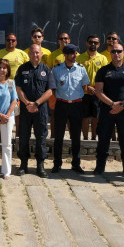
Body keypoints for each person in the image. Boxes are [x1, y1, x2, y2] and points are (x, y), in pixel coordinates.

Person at [93, 43, 124, 176]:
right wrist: (112, 104)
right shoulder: (103, 70)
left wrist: (122, 105)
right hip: (107, 110)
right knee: (103, 139)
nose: (116, 54)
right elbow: (98, 91)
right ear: (110, 53)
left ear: (123, 52)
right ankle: (100, 167)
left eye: (119, 51)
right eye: (113, 51)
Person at [15, 44, 56, 177]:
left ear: (41, 54)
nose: (35, 55)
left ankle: (40, 165)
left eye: (37, 53)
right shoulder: (22, 69)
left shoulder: (47, 70)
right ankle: (23, 164)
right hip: (26, 109)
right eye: (32, 53)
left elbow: (50, 91)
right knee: (23, 136)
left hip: (41, 109)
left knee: (41, 136)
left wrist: (36, 103)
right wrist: (27, 103)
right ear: (29, 54)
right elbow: (18, 88)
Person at [51, 44, 89, 173]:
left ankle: (76, 163)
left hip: (77, 105)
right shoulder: (56, 70)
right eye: (72, 53)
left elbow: (85, 87)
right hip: (61, 104)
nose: (75, 55)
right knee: (58, 136)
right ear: (65, 55)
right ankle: (57, 164)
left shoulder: (81, 69)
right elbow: (53, 88)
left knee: (76, 136)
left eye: (76, 53)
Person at [77, 35, 109, 140]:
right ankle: (85, 138)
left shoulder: (103, 58)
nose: (93, 44)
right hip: (83, 92)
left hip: (98, 92)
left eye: (95, 42)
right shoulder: (79, 58)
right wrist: (87, 87)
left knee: (96, 117)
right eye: (91, 42)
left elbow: (105, 76)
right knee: (84, 117)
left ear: (99, 45)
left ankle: (94, 137)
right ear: (87, 43)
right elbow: (76, 76)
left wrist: (96, 88)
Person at [47, 32, 71, 139]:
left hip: (70, 90)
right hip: (56, 89)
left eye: (65, 38)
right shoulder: (52, 55)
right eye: (61, 38)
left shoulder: (75, 54)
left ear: (69, 40)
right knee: (54, 114)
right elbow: (48, 72)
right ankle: (53, 136)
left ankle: (71, 138)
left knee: (70, 116)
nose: (63, 40)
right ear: (58, 41)